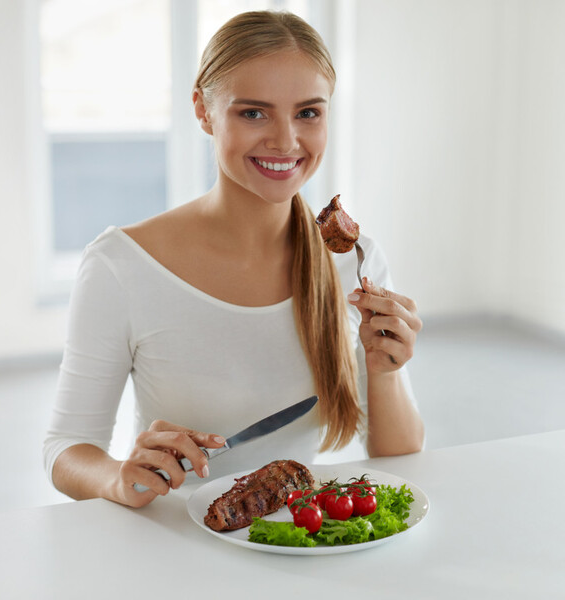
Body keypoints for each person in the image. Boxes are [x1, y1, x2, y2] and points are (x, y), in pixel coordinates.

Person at [43, 10, 424, 509]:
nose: (286, 141)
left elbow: (398, 454)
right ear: (203, 110)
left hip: (299, 546)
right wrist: (117, 477)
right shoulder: (122, 265)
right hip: (175, 550)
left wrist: (386, 368)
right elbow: (65, 449)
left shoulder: (355, 261)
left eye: (308, 112)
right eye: (253, 113)